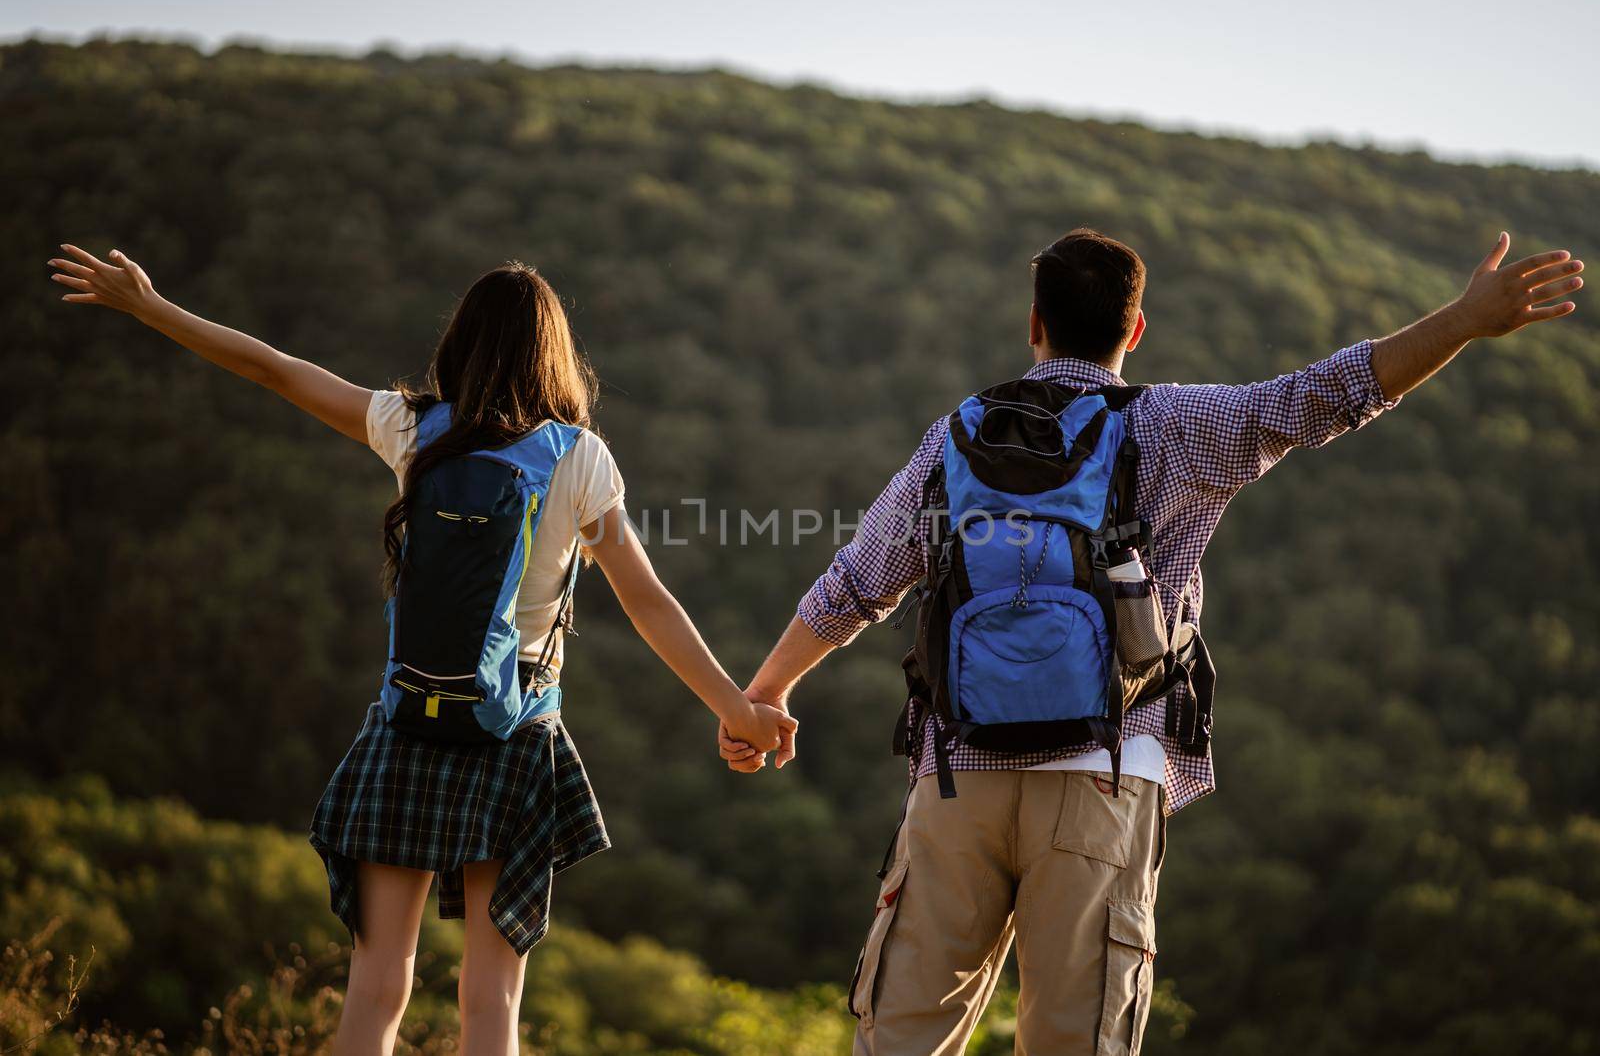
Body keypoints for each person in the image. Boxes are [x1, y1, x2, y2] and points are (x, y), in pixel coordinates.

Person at [719, 228, 1583, 1055]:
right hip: (1106, 773)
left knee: (902, 1037)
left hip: (957, 779)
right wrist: (1466, 320)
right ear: (1135, 328)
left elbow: (856, 585)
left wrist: (762, 696)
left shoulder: (956, 438)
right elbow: (1331, 392)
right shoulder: (1174, 425)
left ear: (1033, 325)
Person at [46, 246, 797, 1056]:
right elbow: (649, 602)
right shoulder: (580, 458)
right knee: (492, 998)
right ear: (555, 355)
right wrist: (739, 710)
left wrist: (152, 308)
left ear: (461, 343)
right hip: (517, 738)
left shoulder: (414, 429)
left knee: (375, 987)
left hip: (408, 728)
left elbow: (275, 369)